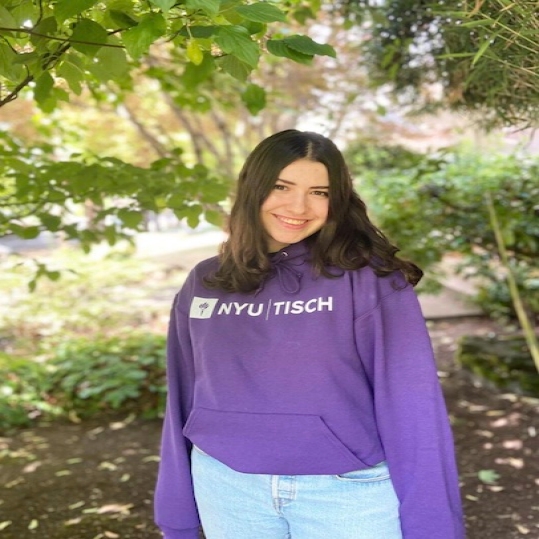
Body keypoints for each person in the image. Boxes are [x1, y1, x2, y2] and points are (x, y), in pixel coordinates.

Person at [154, 130, 465, 539]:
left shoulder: (368, 280)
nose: (298, 206)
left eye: (319, 192)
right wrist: (175, 510)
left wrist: (434, 524)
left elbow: (412, 404)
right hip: (226, 488)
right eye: (282, 186)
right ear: (253, 188)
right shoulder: (206, 281)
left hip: (346, 495)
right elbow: (182, 397)